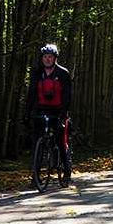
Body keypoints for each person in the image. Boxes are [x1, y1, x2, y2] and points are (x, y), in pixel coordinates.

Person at [25, 43, 72, 175]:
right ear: (42, 58)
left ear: (55, 58)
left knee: (60, 140)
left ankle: (66, 168)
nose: (47, 59)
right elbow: (32, 93)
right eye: (45, 57)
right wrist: (27, 112)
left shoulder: (63, 73)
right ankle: (36, 175)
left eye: (50, 57)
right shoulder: (37, 73)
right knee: (36, 143)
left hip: (58, 111)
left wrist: (64, 112)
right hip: (41, 110)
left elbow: (67, 95)